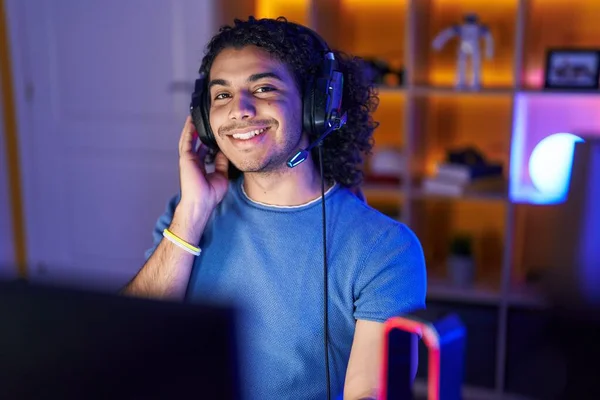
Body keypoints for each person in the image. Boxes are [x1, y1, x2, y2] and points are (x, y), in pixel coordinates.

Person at [123, 16, 426, 400]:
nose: (240, 110)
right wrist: (189, 218)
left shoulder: (384, 248)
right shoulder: (186, 215)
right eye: (221, 95)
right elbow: (127, 342)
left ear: (319, 106)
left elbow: (370, 392)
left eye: (264, 88)